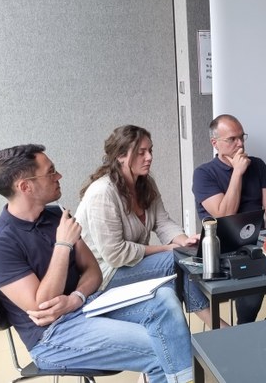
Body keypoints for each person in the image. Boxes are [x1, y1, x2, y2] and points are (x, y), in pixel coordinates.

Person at [0, 144, 193, 383]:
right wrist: (63, 245)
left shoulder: (56, 215)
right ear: (25, 187)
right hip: (51, 337)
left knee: (164, 298)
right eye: (51, 172)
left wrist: (76, 298)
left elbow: (93, 271)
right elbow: (43, 307)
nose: (59, 176)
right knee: (161, 346)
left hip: (86, 306)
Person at [75, 125, 221, 328]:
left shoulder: (145, 183)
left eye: (150, 150)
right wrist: (166, 249)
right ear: (121, 156)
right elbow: (115, 255)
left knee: (184, 260)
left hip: (131, 265)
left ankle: (200, 330)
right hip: (104, 274)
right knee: (174, 261)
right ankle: (216, 325)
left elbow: (163, 222)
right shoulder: (102, 193)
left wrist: (184, 241)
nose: (149, 157)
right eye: (141, 152)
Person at [193, 114, 266, 323]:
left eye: (242, 137)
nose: (240, 144)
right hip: (226, 249)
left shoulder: (258, 165)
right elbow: (225, 216)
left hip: (259, 242)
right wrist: (237, 173)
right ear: (215, 143)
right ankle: (245, 328)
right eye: (232, 139)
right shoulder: (203, 174)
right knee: (253, 282)